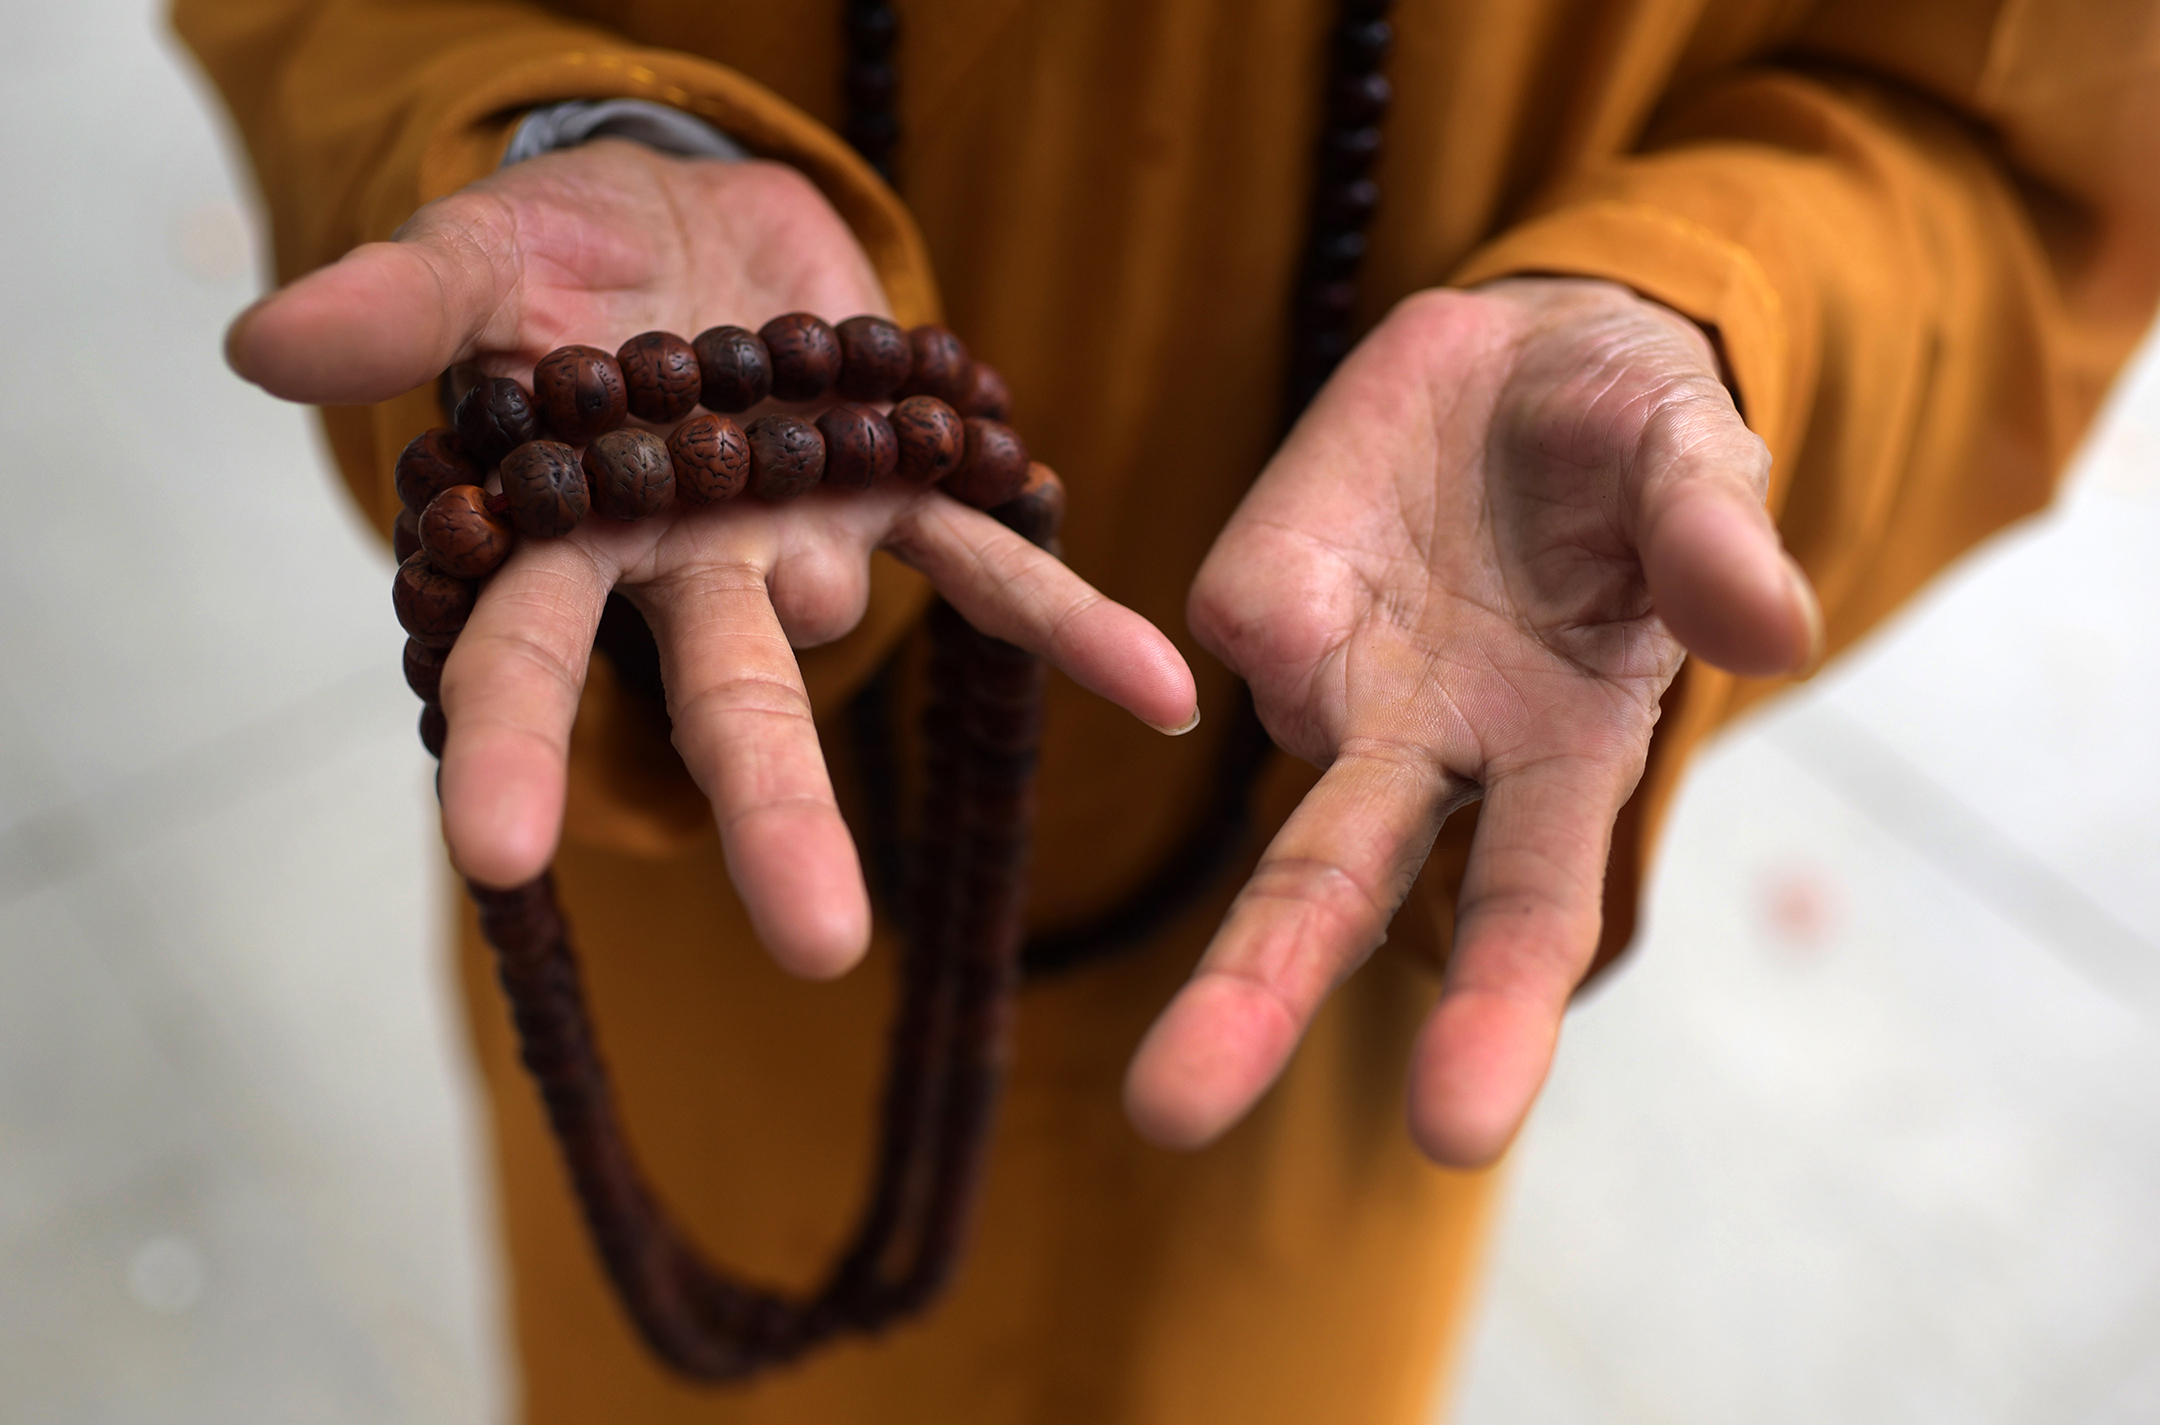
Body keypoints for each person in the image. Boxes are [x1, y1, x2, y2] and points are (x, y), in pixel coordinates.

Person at [174, 1, 2160, 1420]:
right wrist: (537, 134)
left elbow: (2025, 137)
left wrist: (1708, 313)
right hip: (709, 829)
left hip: (1337, 889)